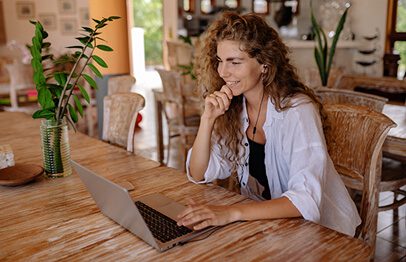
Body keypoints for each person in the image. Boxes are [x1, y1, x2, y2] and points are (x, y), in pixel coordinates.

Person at [176, 12, 361, 236]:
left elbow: (305, 200)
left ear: (264, 63)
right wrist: (207, 120)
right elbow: (198, 173)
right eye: (220, 61)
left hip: (323, 232)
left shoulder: (297, 111)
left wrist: (233, 213)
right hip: (271, 226)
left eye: (234, 62)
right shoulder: (236, 107)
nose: (223, 72)